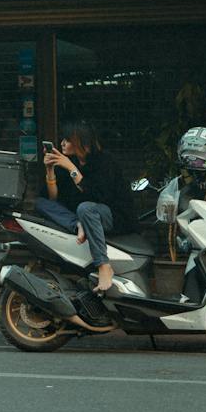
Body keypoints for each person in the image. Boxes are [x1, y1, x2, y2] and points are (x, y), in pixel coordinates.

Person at [39, 121, 130, 298]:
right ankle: (78, 224)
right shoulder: (69, 162)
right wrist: (50, 170)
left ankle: (103, 265)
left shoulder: (105, 161)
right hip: (82, 216)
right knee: (40, 203)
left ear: (82, 142)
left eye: (68, 140)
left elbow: (97, 195)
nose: (63, 143)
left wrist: (72, 169)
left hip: (113, 216)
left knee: (86, 208)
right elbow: (53, 199)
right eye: (62, 140)